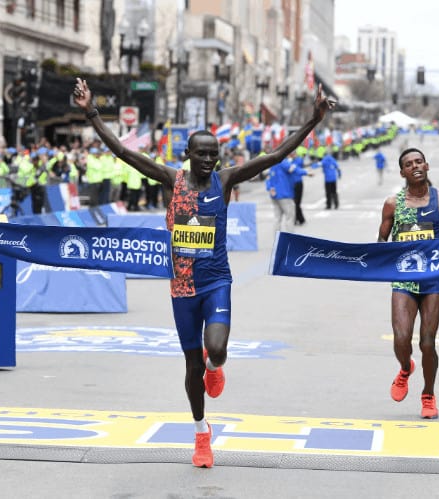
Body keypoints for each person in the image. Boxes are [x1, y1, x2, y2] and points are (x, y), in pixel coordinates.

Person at [73, 77, 334, 468]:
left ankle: (217, 368)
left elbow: (276, 154)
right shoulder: (170, 180)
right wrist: (92, 113)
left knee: (216, 349)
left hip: (216, 280)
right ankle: (201, 433)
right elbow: (124, 155)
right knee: (190, 366)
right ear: (188, 154)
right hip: (181, 288)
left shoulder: (225, 180)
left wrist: (314, 121)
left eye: (215, 153)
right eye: (203, 154)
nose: (210, 159)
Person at [377, 148, 439, 420]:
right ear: (402, 172)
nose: (415, 166)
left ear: (427, 166)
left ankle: (428, 394)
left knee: (427, 342)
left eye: (419, 161)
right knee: (401, 339)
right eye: (408, 163)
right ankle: (405, 368)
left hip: (433, 279)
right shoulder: (393, 204)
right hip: (403, 278)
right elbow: (380, 244)